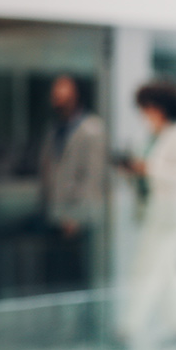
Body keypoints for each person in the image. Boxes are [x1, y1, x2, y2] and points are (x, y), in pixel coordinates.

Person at [116, 79, 176, 349]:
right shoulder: (156, 137)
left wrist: (147, 168)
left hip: (174, 214)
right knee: (168, 270)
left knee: (149, 269)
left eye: (147, 108)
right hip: (158, 211)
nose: (144, 115)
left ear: (160, 107)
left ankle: (128, 329)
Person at [39, 74, 106, 290]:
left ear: (76, 94)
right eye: (55, 91)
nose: (57, 96)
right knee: (56, 276)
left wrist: (76, 215)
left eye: (63, 90)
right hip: (56, 212)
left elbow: (93, 176)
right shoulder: (55, 129)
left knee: (78, 276)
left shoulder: (91, 128)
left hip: (79, 217)